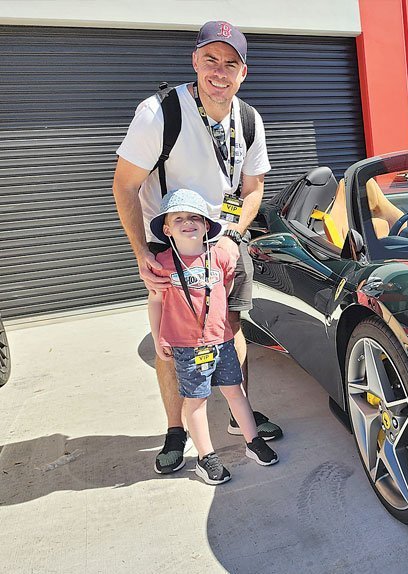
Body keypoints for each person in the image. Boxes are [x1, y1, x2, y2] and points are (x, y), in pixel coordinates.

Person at [112, 20, 282, 475]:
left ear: (243, 72)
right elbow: (124, 187)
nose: (220, 71)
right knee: (172, 338)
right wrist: (142, 254)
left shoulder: (248, 118)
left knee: (231, 329)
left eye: (231, 63)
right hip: (172, 247)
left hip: (223, 245)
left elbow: (253, 187)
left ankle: (235, 418)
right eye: (211, 59)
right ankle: (175, 429)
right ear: (195, 60)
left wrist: (234, 234)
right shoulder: (159, 112)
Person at [148, 189, 278, 484]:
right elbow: (155, 302)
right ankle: (206, 458)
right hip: (186, 347)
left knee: (236, 391)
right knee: (196, 400)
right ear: (167, 229)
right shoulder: (163, 264)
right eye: (178, 218)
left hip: (222, 341)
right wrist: (158, 338)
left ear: (207, 225)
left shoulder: (219, 256)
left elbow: (225, 289)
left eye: (195, 217)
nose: (187, 222)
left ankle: (253, 442)